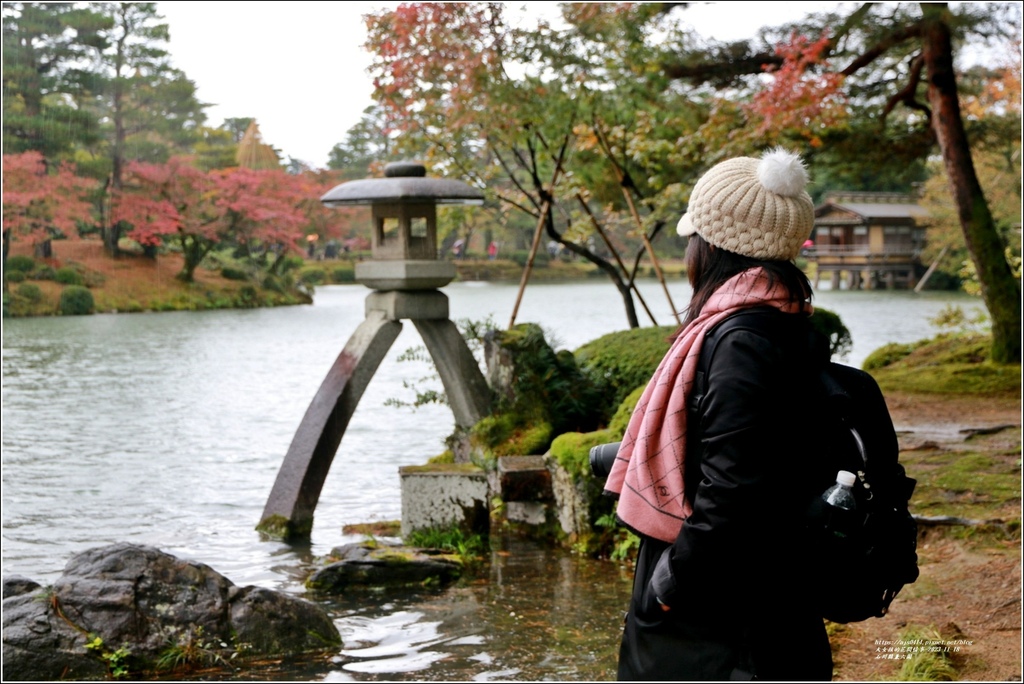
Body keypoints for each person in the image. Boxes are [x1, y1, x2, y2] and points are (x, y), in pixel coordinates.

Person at [604, 148, 834, 681]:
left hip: (723, 617)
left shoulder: (741, 341)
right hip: (771, 592)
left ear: (714, 246)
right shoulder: (786, 320)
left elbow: (735, 488)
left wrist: (670, 585)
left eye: (693, 238)